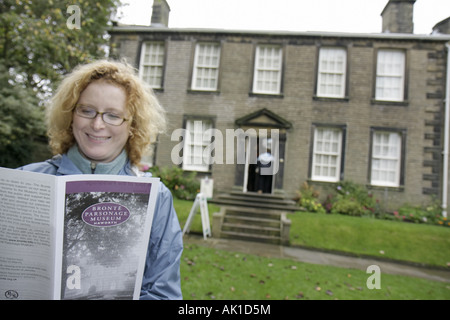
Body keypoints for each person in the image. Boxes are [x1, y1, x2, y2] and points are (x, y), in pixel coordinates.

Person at [18, 60, 183, 300]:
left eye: (113, 115)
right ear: (71, 115)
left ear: (132, 126)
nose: (97, 124)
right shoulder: (25, 180)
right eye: (87, 110)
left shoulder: (157, 197)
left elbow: (164, 293)